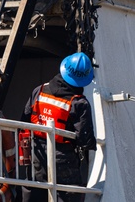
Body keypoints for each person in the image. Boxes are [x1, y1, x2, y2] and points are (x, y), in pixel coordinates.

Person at [21, 53, 96, 202]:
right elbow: (84, 139)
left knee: (36, 193)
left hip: (37, 155)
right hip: (63, 160)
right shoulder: (79, 103)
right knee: (68, 193)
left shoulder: (39, 90)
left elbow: (24, 120)